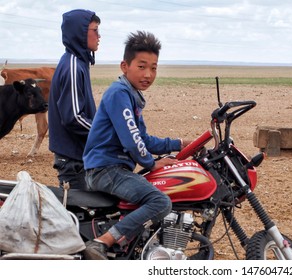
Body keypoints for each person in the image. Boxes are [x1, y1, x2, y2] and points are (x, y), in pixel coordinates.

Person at [82, 31, 191, 260]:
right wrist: (151, 164)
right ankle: (102, 243)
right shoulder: (119, 93)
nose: (148, 74)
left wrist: (180, 144)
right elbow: (133, 141)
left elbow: (144, 139)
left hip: (111, 169)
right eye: (142, 66)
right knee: (160, 201)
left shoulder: (131, 96)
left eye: (153, 68)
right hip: (106, 170)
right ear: (125, 66)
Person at [48, 9, 101, 190]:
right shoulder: (72, 66)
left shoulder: (78, 63)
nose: (99, 36)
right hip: (74, 161)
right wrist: (104, 133)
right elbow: (74, 118)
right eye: (95, 30)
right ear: (80, 32)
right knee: (80, 217)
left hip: (79, 157)